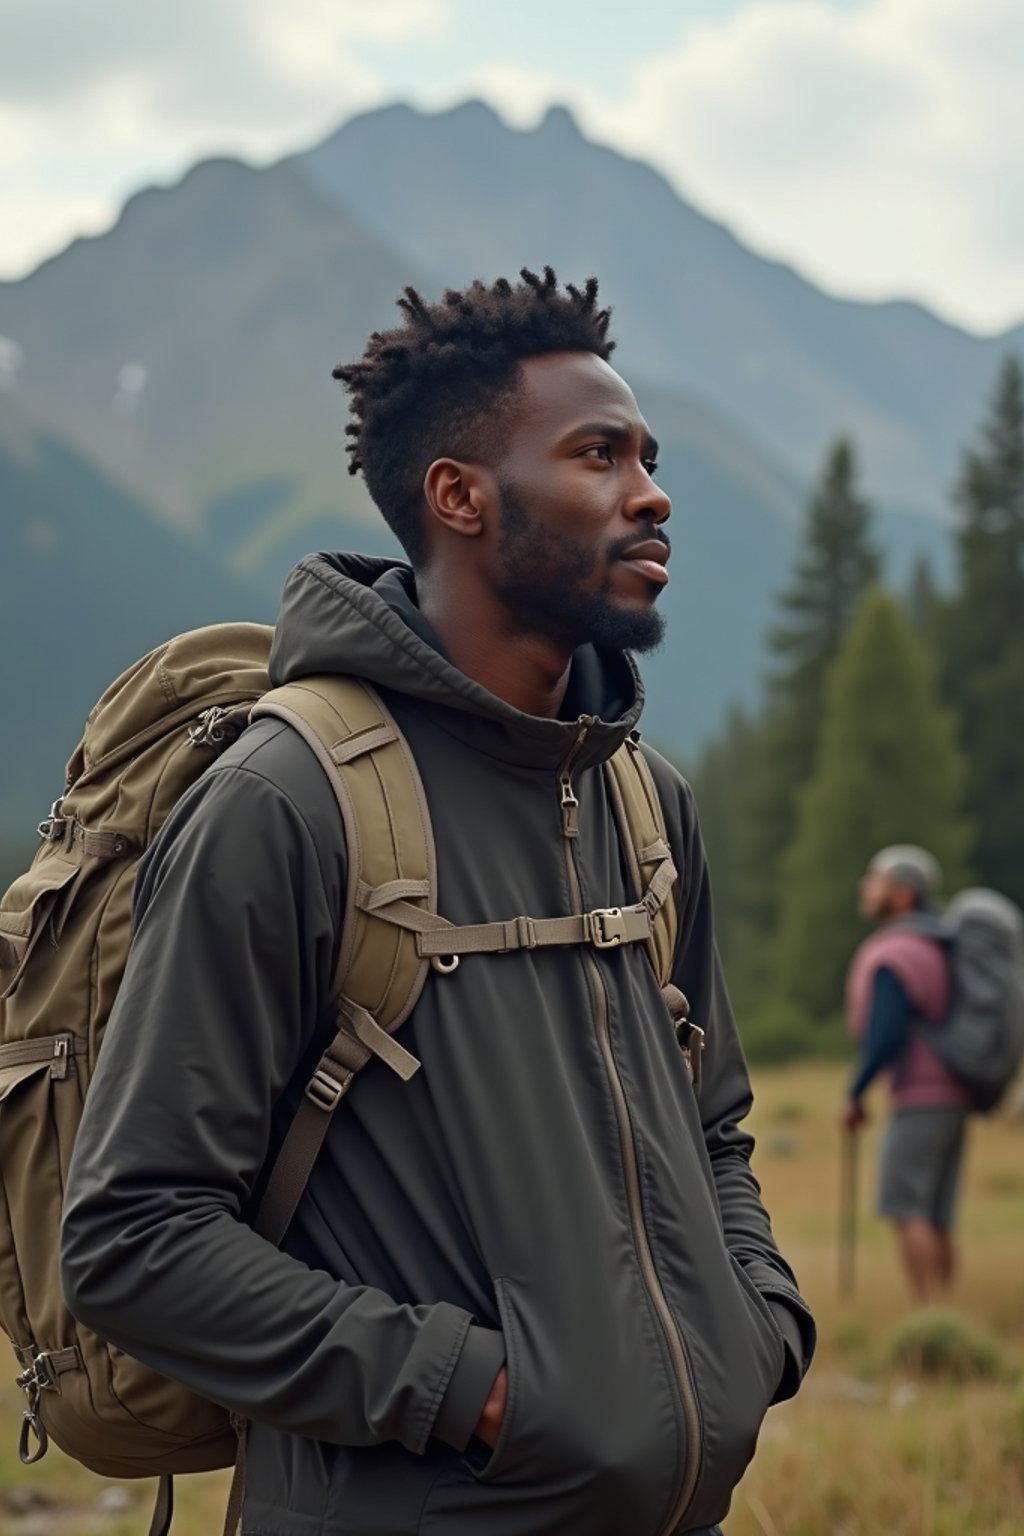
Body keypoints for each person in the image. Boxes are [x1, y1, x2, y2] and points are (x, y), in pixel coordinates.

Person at [60, 269, 814, 1536]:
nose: (652, 492)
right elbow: (132, 1237)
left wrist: (759, 1330)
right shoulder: (289, 802)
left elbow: (716, 1130)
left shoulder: (645, 804)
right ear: (458, 496)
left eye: (648, 455)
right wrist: (476, 1395)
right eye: (598, 455)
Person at [842, 844, 972, 1301]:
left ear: (902, 895)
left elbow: (885, 1035)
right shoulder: (937, 945)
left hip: (919, 1095)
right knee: (937, 1213)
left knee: (904, 1206)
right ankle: (946, 1309)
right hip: (954, 1094)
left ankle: (926, 1311)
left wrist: (856, 1092)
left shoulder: (895, 953)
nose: (866, 887)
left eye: (875, 880)